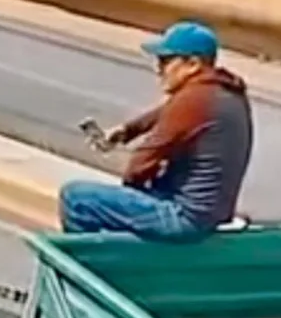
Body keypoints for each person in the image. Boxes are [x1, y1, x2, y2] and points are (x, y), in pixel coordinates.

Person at [58, 21, 253, 241]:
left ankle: (98, 266)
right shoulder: (224, 94)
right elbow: (167, 111)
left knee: (77, 198)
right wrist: (127, 131)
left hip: (184, 218)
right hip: (214, 214)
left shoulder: (193, 100)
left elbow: (140, 165)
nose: (158, 69)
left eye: (165, 61)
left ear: (192, 64)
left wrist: (133, 191)